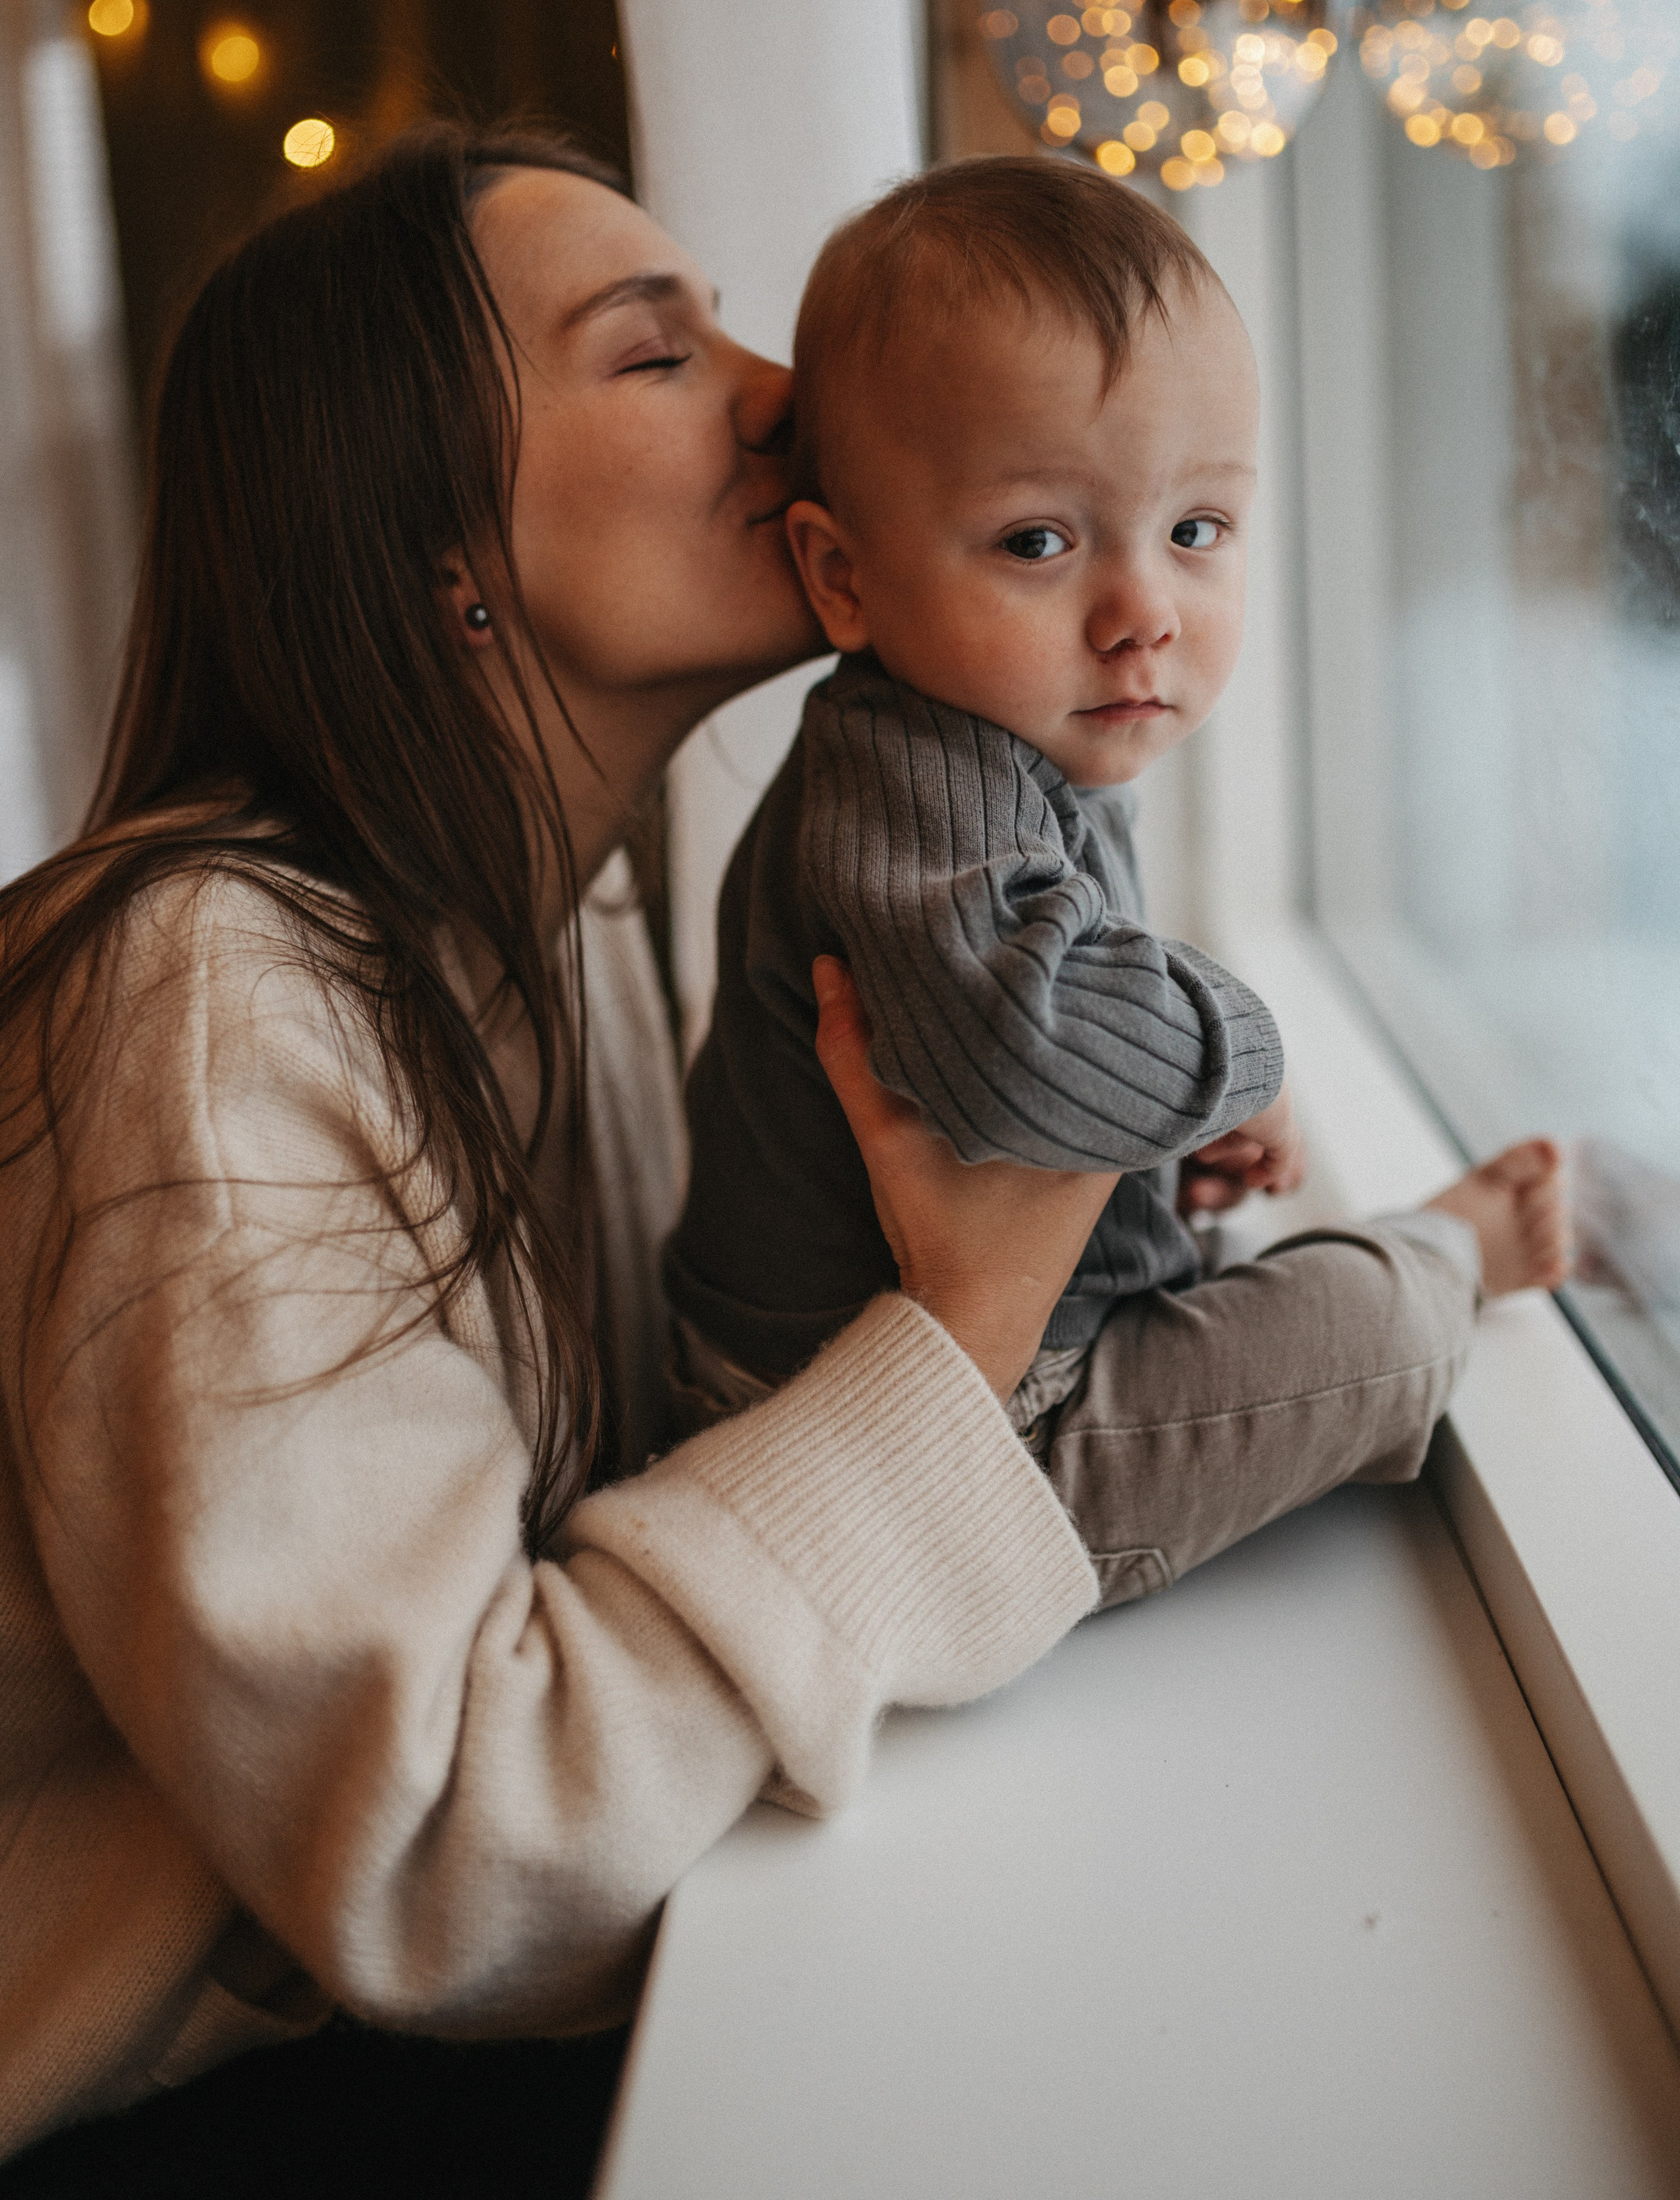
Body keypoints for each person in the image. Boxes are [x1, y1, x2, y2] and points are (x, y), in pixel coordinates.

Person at [0, 127, 1123, 2191]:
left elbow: (612, 1518)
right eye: (655, 353)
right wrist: (964, 1329)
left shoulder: (553, 929)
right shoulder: (210, 988)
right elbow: (445, 1853)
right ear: (429, 543)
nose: (784, 392)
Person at [663, 156, 1570, 1605]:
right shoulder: (909, 774)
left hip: (958, 1359)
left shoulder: (1005, 744)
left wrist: (1154, 1135)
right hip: (891, 1442)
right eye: (1038, 541)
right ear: (842, 577)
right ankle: (1450, 1250)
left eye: (1195, 530)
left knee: (1276, 1284)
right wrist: (1242, 1055)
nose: (1143, 612)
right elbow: (1023, 1044)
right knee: (1379, 1333)